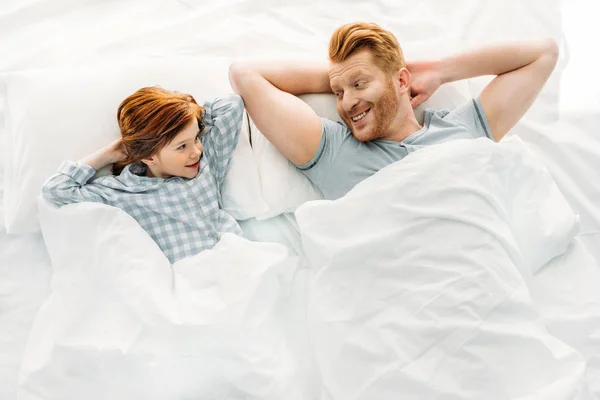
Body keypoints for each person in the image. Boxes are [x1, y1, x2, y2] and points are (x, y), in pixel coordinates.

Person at [229, 22, 559, 200]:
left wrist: (440, 71)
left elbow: (543, 53)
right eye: (338, 93)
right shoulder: (335, 152)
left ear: (402, 80)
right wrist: (342, 74)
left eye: (359, 85)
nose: (345, 103)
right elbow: (245, 74)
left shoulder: (462, 129)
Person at [41, 87, 245, 263]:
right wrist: (108, 154)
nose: (196, 151)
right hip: (191, 279)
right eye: (182, 146)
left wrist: (185, 110)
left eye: (196, 138)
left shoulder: (206, 164)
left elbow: (231, 105)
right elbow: (57, 190)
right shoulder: (123, 193)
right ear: (148, 157)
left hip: (238, 259)